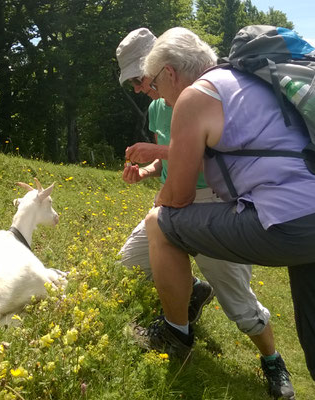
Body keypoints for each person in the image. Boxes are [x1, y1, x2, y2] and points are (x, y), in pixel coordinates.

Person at [138, 27, 315, 400]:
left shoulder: (194, 98)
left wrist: (161, 199)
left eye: (154, 84)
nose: (158, 96)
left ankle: (174, 334)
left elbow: (180, 197)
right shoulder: (255, 80)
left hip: (295, 222)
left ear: (170, 72)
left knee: (160, 225)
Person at [116, 28, 294, 399]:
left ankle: (273, 361)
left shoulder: (209, 96)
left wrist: (158, 152)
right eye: (133, 82)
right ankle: (191, 296)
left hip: (215, 202)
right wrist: (146, 170)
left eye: (138, 78)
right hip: (172, 199)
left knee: (240, 306)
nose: (137, 87)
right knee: (129, 266)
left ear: (164, 69)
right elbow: (168, 164)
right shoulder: (156, 107)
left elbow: (207, 153)